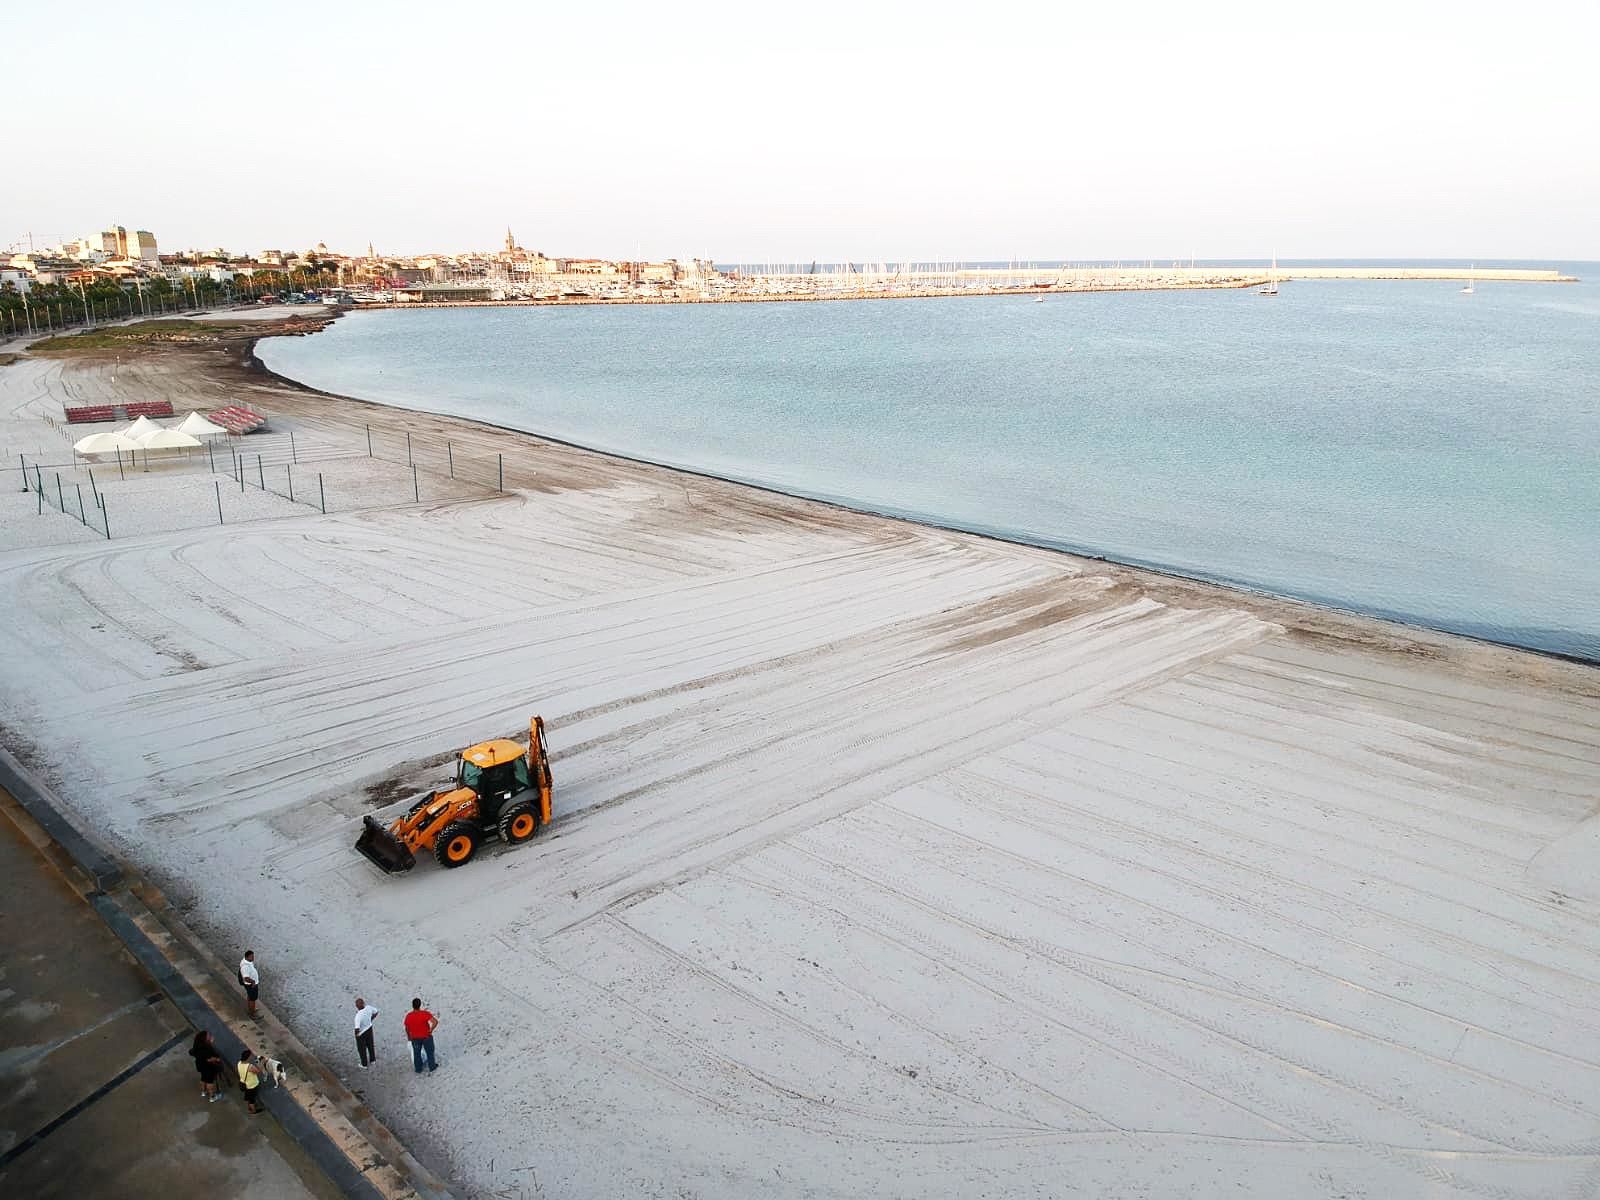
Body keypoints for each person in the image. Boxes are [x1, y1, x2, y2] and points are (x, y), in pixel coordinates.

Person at [403, 997, 439, 1074]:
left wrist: (409, 1037)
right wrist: (431, 1030)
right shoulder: (424, 1014)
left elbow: (406, 1028)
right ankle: (432, 1066)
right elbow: (435, 1022)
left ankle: (418, 1069)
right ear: (420, 1005)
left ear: (412, 1006)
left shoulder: (409, 1016)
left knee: (416, 1053)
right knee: (430, 1052)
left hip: (415, 1038)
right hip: (426, 1036)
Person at [189, 1030, 225, 1103]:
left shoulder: (197, 1047)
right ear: (204, 1039)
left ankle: (203, 1092)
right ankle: (212, 1097)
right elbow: (210, 1059)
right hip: (208, 1067)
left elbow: (192, 1052)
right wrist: (217, 1059)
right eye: (208, 1036)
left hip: (200, 1065)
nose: (210, 1036)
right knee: (209, 1081)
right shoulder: (206, 1049)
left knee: (203, 1078)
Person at [354, 997, 379, 1068]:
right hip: (369, 1028)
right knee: (370, 1045)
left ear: (356, 1006)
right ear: (364, 1003)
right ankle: (372, 1060)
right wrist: (371, 1019)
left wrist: (356, 1035)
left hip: (361, 1033)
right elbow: (376, 1012)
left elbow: (357, 1028)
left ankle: (364, 1064)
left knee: (362, 1049)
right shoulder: (369, 1008)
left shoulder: (358, 1016)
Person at [237, 1048, 263, 1114]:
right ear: (248, 1058)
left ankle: (250, 1107)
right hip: (251, 1085)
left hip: (244, 1083)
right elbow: (258, 1072)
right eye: (250, 1056)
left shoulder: (239, 1063)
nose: (252, 1057)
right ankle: (253, 1110)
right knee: (252, 1099)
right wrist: (259, 1065)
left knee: (249, 1096)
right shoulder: (250, 1067)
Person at [238, 950, 260, 1019]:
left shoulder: (247, 961)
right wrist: (253, 982)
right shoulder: (245, 966)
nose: (253, 958)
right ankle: (252, 1014)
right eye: (252, 957)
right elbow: (246, 978)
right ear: (247, 957)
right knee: (252, 999)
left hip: (251, 984)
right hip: (251, 985)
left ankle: (251, 1009)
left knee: (250, 997)